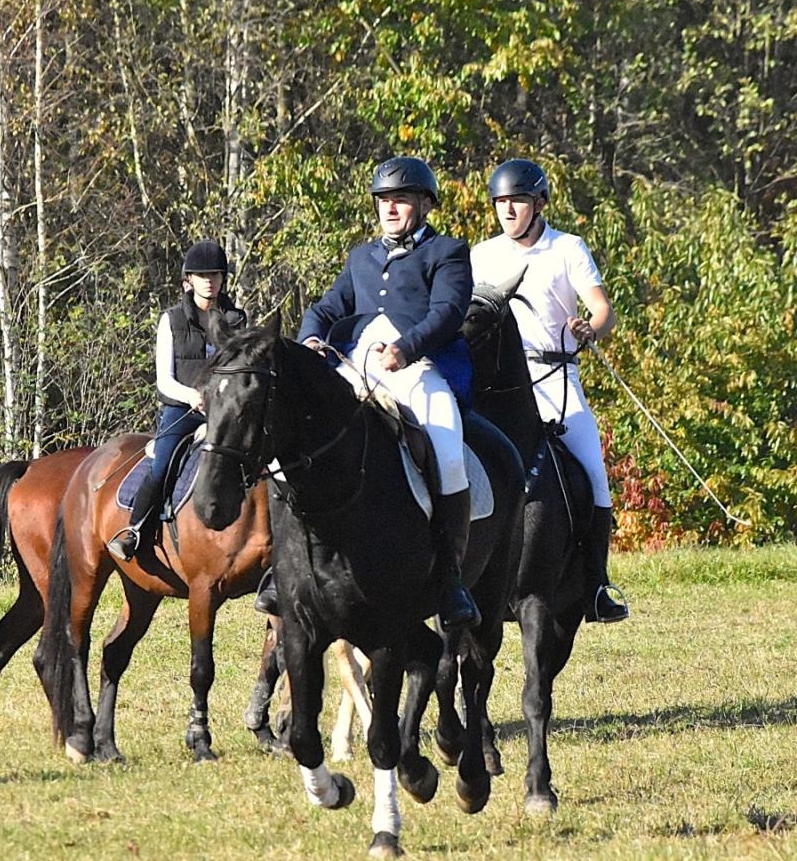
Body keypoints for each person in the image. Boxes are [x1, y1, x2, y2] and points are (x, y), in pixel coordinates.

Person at [280, 155, 480, 628]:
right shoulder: (360, 258)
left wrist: (407, 348)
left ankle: (450, 577)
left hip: (419, 366)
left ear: (425, 204)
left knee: (447, 447)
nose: (390, 208)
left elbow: (449, 312)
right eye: (384, 200)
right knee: (298, 437)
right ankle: (284, 564)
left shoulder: (448, 252)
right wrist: (311, 337)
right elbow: (328, 307)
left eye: (401, 199)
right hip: (358, 363)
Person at [469, 158, 628, 622]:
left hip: (556, 377)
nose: (507, 210)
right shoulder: (481, 255)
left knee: (594, 471)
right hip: (494, 387)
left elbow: (603, 310)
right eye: (500, 202)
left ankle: (597, 584)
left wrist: (590, 329)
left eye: (517, 201)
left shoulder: (567, 248)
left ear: (539, 204)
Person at [107, 239, 249, 562]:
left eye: (215, 274)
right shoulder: (170, 321)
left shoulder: (237, 321)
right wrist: (192, 397)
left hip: (225, 411)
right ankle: (135, 530)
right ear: (189, 281)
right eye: (202, 275)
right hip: (182, 411)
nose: (210, 281)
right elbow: (164, 381)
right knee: (162, 464)